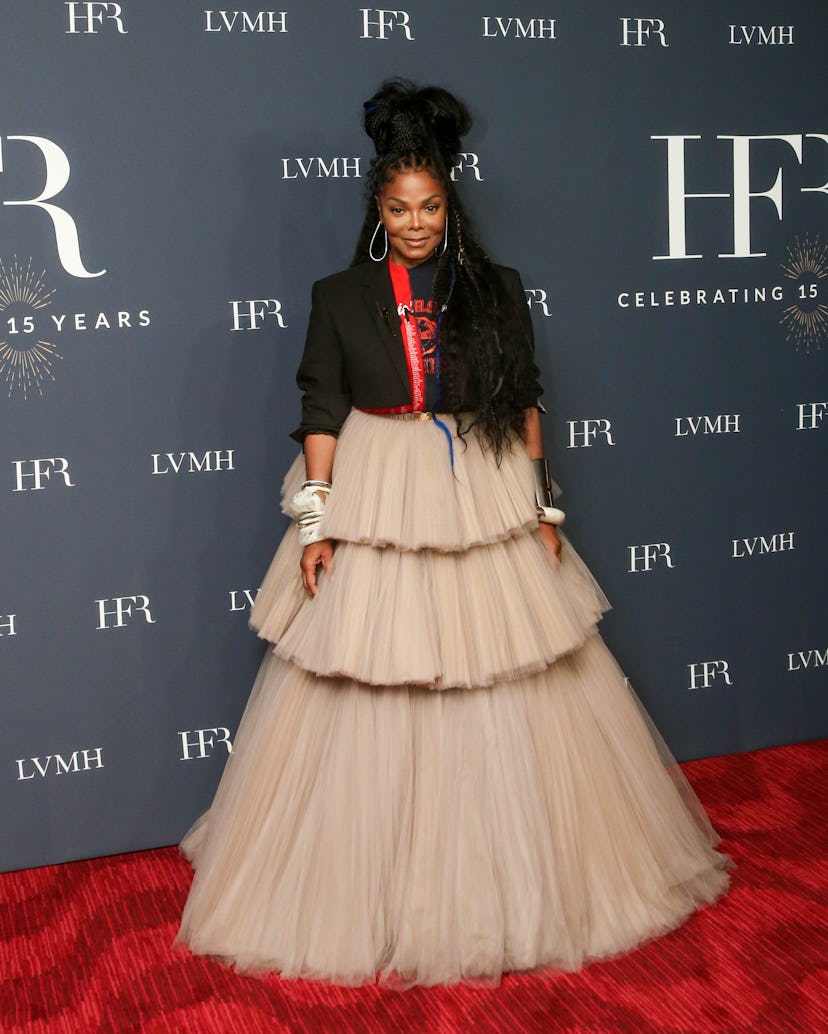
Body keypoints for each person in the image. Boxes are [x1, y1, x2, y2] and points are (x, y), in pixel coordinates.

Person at [175, 79, 734, 989]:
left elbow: (523, 403)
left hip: (482, 492)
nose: (415, 222)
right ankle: (378, 884)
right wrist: (318, 521)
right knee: (375, 673)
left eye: (430, 206)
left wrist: (545, 511)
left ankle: (505, 871)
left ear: (451, 205)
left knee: (501, 672)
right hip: (378, 488)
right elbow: (320, 404)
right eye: (398, 208)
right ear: (378, 209)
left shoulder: (497, 290)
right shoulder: (340, 296)